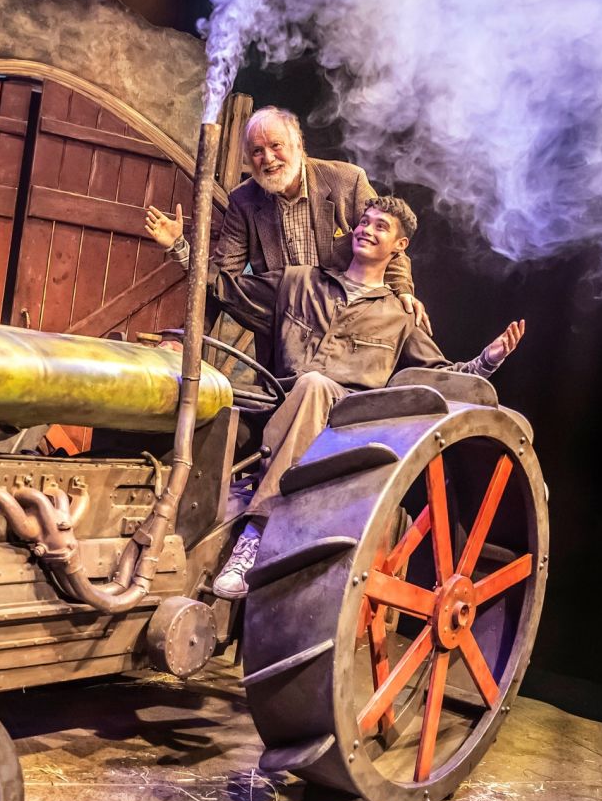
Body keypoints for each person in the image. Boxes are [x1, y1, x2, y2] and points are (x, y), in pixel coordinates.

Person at [153, 195, 525, 599]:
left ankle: (255, 536)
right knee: (212, 397)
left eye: (381, 226)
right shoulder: (297, 282)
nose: (367, 230)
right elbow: (226, 288)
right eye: (364, 222)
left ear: (399, 246)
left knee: (314, 385)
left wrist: (487, 361)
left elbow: (438, 377)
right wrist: (179, 246)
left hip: (344, 430)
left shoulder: (400, 319)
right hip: (279, 408)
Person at [144, 106, 431, 334]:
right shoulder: (244, 201)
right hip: (284, 338)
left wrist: (403, 292)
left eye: (275, 146)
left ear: (297, 145)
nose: (267, 159)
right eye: (257, 151)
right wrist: (186, 339)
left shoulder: (347, 181)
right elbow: (222, 280)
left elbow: (389, 244)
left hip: (346, 329)